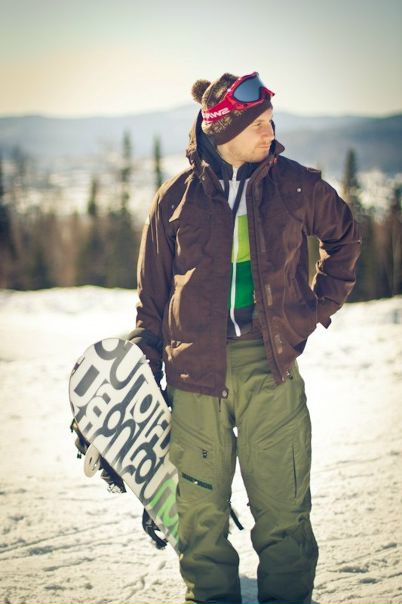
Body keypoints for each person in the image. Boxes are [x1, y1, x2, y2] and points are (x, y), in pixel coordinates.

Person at [131, 72, 361, 604]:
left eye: (271, 122)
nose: (269, 133)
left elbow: (344, 238)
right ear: (223, 130)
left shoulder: (296, 186)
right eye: (258, 124)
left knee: (283, 510)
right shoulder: (175, 198)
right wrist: (147, 354)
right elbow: (153, 290)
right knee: (199, 517)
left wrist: (314, 309)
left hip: (269, 365)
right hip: (194, 372)